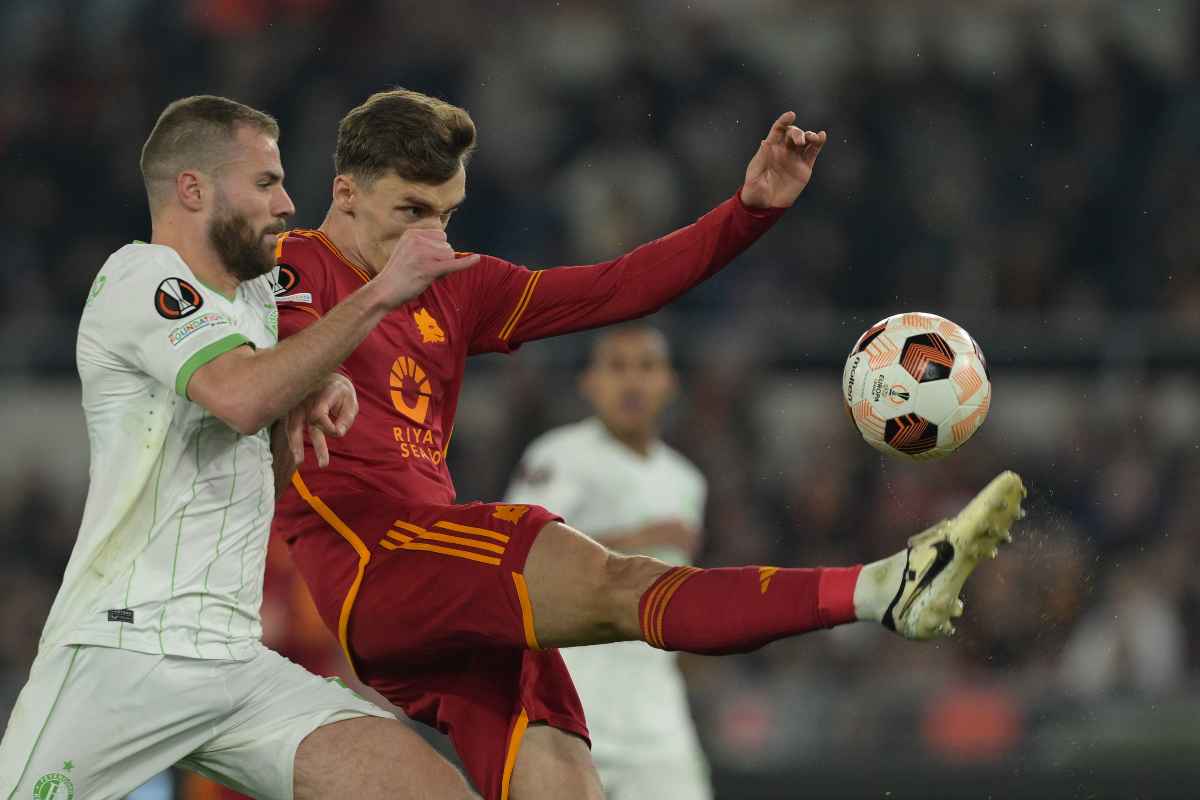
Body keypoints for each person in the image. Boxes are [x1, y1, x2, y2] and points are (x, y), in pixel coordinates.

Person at [270, 88, 1027, 800]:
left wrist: (747, 213)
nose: (431, 239)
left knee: (564, 774)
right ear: (345, 193)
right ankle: (880, 587)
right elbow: (237, 365)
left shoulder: (453, 285)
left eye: (447, 214)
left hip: (444, 587)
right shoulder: (286, 271)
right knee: (621, 584)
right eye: (411, 211)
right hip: (380, 560)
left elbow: (617, 287)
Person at [0, 95, 479, 800]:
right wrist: (379, 295)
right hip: (124, 654)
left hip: (233, 660)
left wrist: (306, 399)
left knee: (426, 787)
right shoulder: (141, 277)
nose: (287, 202)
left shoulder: (257, 304)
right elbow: (241, 394)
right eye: (265, 183)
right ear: (192, 188)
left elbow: (258, 454)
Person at [503, 323, 714, 799]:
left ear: (669, 382)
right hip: (566, 706)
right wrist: (637, 539)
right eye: (616, 367)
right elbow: (516, 558)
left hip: (656, 714)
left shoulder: (686, 481)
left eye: (646, 367)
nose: (632, 382)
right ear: (589, 382)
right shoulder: (559, 457)